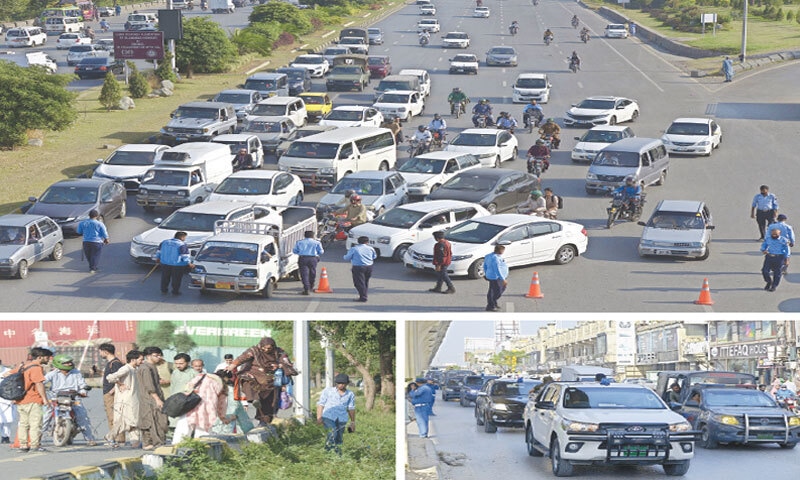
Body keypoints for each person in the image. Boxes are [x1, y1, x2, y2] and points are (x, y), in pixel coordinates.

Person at [226, 337, 297, 426]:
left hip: (270, 380)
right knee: (247, 382)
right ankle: (255, 399)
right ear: (261, 346)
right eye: (265, 348)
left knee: (269, 403)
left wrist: (279, 366)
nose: (267, 350)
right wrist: (232, 366)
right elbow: (242, 358)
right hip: (253, 375)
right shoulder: (254, 351)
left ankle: (264, 422)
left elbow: (287, 363)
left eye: (269, 348)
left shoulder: (279, 352)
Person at [43, 354, 98, 446]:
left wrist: (84, 391)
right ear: (58, 363)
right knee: (45, 416)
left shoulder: (76, 372)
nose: (69, 364)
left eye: (70, 362)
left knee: (82, 417)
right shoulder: (52, 374)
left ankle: (89, 439)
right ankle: (36, 439)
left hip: (74, 398)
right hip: (56, 398)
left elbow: (82, 384)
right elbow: (41, 382)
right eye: (66, 363)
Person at [172, 370, 227, 444]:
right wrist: (222, 416)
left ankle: (177, 449)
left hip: (191, 406)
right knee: (202, 434)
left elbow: (188, 387)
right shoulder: (221, 385)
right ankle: (200, 451)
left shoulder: (201, 376)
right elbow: (222, 403)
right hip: (207, 411)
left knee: (183, 430)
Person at [13, 347, 52, 452]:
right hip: (33, 400)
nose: (49, 359)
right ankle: (35, 445)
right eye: (47, 357)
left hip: (20, 400)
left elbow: (8, 374)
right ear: (40, 357)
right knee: (35, 423)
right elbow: (39, 384)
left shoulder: (24, 366)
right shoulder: (36, 368)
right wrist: (45, 399)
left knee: (23, 424)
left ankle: (23, 445)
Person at [105, 350, 143, 449]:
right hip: (126, 400)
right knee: (127, 421)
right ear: (133, 359)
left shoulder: (135, 369)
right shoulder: (126, 369)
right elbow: (110, 377)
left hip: (134, 399)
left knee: (134, 421)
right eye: (140, 360)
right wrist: (120, 384)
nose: (142, 362)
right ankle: (110, 436)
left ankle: (135, 442)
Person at [136, 347, 168, 450]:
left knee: (151, 421)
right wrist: (157, 399)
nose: (159, 357)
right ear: (148, 356)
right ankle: (156, 443)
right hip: (150, 399)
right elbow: (149, 386)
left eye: (160, 355)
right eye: (156, 355)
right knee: (156, 421)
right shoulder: (146, 368)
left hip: (151, 398)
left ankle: (148, 443)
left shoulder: (151, 367)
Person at [316, 373, 356, 454]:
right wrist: (319, 417)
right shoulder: (328, 391)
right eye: (339, 383)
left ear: (347, 383)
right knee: (332, 432)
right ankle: (328, 452)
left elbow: (351, 408)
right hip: (328, 416)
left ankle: (338, 455)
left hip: (342, 418)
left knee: (339, 437)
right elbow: (321, 404)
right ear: (336, 383)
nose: (341, 385)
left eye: (343, 383)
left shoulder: (350, 394)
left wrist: (352, 422)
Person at [211, 369, 254, 435]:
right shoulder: (224, 388)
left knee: (223, 433)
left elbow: (235, 405)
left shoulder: (229, 390)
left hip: (227, 414)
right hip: (226, 414)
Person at [98, 343, 125, 445]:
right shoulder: (110, 363)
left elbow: (119, 377)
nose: (100, 354)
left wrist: (113, 390)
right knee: (111, 416)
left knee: (114, 417)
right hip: (108, 392)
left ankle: (118, 439)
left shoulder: (115, 363)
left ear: (105, 351)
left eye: (100, 351)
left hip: (111, 393)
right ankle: (114, 438)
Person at [156, 231, 194, 295]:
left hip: (165, 263)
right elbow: (185, 255)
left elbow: (159, 251)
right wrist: (189, 263)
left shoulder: (164, 242)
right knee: (176, 278)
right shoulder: (182, 244)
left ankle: (164, 289)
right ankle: (175, 291)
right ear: (182, 237)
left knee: (165, 277)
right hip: (177, 265)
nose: (185, 239)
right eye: (185, 237)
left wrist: (158, 258)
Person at [344, 236, 377, 302]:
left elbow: (347, 258)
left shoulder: (354, 249)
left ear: (358, 241)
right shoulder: (371, 248)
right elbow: (374, 256)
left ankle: (363, 297)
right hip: (369, 266)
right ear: (367, 242)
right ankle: (364, 294)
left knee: (358, 283)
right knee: (365, 282)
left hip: (358, 267)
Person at [77, 209, 109, 273]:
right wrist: (106, 239)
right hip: (97, 242)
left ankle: (92, 266)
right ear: (97, 216)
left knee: (89, 255)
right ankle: (93, 268)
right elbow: (104, 232)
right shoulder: (100, 224)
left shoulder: (83, 223)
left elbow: (79, 231)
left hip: (86, 242)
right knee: (95, 255)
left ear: (89, 215)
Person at [293, 230, 324, 295]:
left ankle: (306, 288)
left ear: (304, 236)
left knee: (304, 274)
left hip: (303, 258)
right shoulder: (317, 242)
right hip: (313, 258)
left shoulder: (299, 242)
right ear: (313, 236)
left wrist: (301, 252)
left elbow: (295, 251)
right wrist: (316, 254)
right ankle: (311, 285)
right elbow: (321, 251)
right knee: (312, 272)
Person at [761, 227, 789, 292]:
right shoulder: (768, 239)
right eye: (773, 234)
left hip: (779, 257)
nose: (774, 235)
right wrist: (763, 250)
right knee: (765, 271)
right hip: (769, 256)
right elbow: (764, 245)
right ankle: (769, 281)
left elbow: (787, 250)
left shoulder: (784, 240)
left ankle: (774, 286)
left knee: (777, 272)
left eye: (776, 234)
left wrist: (787, 259)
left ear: (779, 233)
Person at [484, 244, 509, 311]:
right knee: (498, 290)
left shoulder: (488, 256)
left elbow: (485, 266)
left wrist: (486, 273)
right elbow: (497, 269)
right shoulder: (495, 258)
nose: (503, 252)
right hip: (496, 277)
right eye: (503, 250)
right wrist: (503, 279)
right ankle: (491, 305)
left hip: (491, 275)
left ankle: (493, 303)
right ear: (500, 250)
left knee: (494, 290)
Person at [0, 359, 17, 444]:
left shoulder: (8, 371)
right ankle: (3, 435)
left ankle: (6, 436)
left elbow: (15, 384)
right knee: (0, 420)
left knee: (8, 420)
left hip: (7, 397)